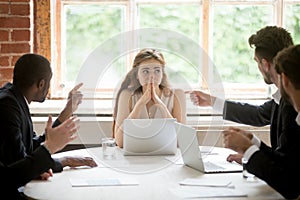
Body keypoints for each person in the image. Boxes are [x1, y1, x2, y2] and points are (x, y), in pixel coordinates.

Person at [187, 26, 298, 164]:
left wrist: (249, 151)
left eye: (256, 62)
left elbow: (285, 167)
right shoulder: (283, 98)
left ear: (265, 64)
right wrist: (212, 101)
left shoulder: (293, 103)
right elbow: (258, 114)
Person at [0, 54, 97, 179]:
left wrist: (68, 110)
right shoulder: (7, 107)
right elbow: (22, 167)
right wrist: (55, 152)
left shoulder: (14, 99)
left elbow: (33, 147)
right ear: (41, 84)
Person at [223, 44, 300, 199]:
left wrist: (247, 148)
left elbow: (290, 184)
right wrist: (253, 143)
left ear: (284, 79)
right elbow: (288, 163)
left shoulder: (290, 111)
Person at [112, 48, 186, 147]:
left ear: (162, 74)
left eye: (157, 71)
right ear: (137, 75)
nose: (152, 76)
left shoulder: (177, 95)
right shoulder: (127, 95)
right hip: (135, 159)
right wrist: (140, 104)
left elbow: (181, 141)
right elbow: (120, 142)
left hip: (168, 159)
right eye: (145, 71)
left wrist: (160, 104)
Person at [1, 115, 79, 199]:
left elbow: (32, 147)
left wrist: (36, 168)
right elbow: (6, 179)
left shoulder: (17, 105)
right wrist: (49, 148)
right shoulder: (9, 108)